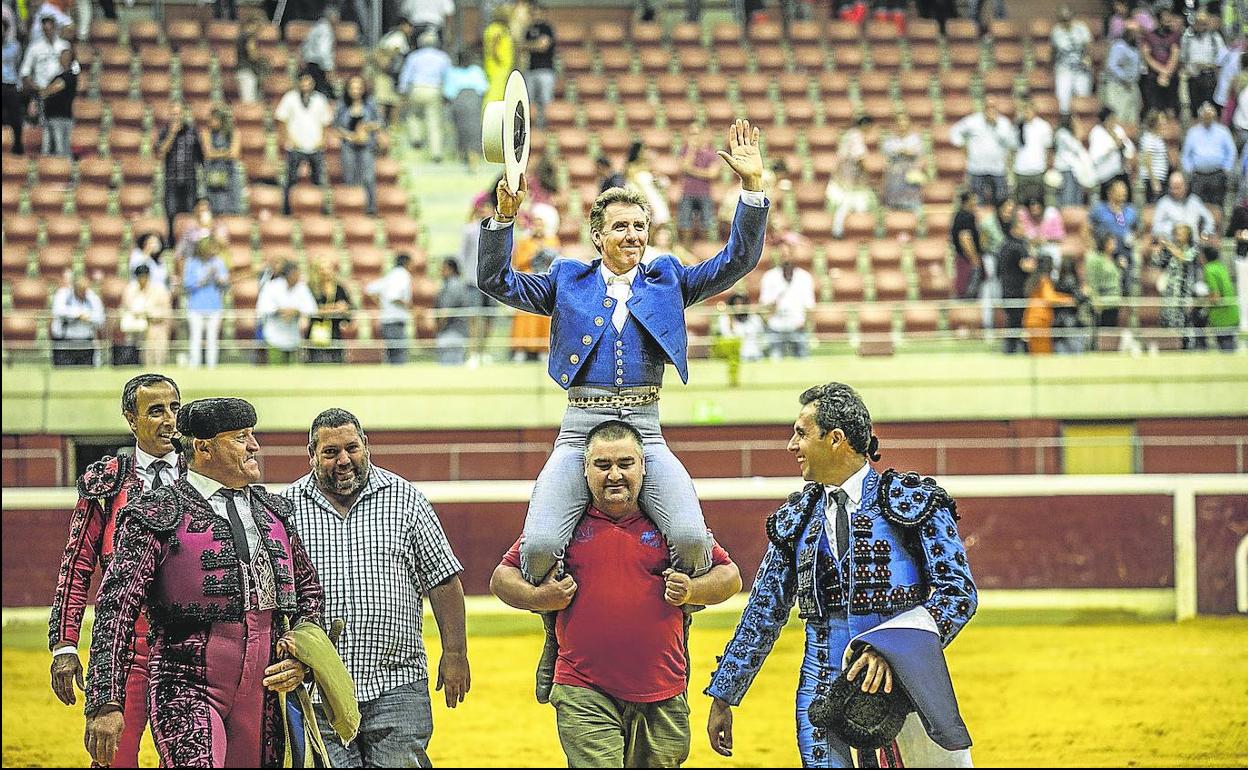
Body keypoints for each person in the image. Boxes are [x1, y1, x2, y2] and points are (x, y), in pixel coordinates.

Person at [478, 118, 768, 700]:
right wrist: (504, 219)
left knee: (689, 538)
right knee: (537, 548)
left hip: (645, 425)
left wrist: (753, 190)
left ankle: (677, 629)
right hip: (580, 426)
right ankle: (555, 635)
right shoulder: (565, 279)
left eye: (640, 225)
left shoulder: (667, 278)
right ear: (598, 235)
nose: (634, 235)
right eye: (621, 226)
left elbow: (735, 262)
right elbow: (494, 280)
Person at [705, 383, 976, 768]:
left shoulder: (911, 501)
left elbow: (958, 593)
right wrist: (724, 696)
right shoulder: (796, 519)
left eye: (801, 433)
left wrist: (892, 649)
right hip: (820, 691)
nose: (791, 446)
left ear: (836, 439)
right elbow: (762, 612)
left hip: (901, 683)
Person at [82, 398, 328, 768]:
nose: (254, 446)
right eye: (241, 437)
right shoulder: (155, 512)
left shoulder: (272, 511)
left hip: (262, 691)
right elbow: (115, 609)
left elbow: (309, 595)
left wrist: (301, 659)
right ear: (203, 447)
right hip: (185, 684)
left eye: (252, 435)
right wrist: (105, 701)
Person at [491, 419, 742, 767]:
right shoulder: (565, 525)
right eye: (602, 465)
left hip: (663, 690)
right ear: (584, 470)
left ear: (643, 467)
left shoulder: (669, 525)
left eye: (625, 464)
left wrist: (692, 589)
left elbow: (731, 577)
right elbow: (501, 577)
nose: (614, 475)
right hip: (583, 688)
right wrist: (539, 598)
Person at [284, 408, 468, 766]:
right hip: (318, 684)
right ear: (311, 455)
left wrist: (456, 653)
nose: (343, 460)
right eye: (330, 452)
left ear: (366, 446)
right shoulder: (287, 508)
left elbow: (443, 580)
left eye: (352, 448)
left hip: (397, 680)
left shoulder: (406, 499)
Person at [48, 374, 181, 768]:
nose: (170, 420)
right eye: (155, 411)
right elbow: (76, 567)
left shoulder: (203, 474)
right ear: (130, 418)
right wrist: (65, 645)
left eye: (174, 408)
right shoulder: (108, 483)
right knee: (114, 759)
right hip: (125, 647)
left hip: (190, 646)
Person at [275, 69, 334, 216]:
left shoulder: (320, 99)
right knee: (290, 181)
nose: (306, 84)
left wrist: (323, 140)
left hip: (315, 147)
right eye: (303, 81)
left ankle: (323, 210)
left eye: (308, 81)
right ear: (298, 82)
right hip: (295, 147)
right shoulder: (290, 98)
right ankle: (286, 210)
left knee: (319, 181)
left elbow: (326, 123)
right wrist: (288, 139)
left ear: (313, 83)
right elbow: (281, 120)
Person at [509, 212, 559, 362]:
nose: (538, 227)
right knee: (525, 317)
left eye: (541, 223)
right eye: (535, 223)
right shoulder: (524, 241)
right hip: (527, 283)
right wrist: (535, 253)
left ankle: (544, 349)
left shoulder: (552, 240)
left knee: (545, 318)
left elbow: (556, 260)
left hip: (546, 284)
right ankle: (520, 350)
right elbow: (518, 262)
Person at [949, 98, 1017, 205]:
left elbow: (1012, 142)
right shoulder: (973, 121)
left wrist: (996, 125)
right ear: (984, 108)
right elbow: (954, 132)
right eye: (988, 107)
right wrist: (962, 146)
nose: (991, 110)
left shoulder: (1003, 123)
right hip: (976, 169)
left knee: (1000, 202)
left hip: (997, 169)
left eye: (993, 107)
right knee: (976, 202)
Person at [1153, 223, 1208, 349]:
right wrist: (1159, 249)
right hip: (1170, 294)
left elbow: (1185, 258)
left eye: (1180, 233)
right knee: (1168, 323)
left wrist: (1168, 245)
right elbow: (1156, 262)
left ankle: (1187, 349)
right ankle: (1169, 348)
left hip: (1185, 294)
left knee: (1185, 323)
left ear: (1188, 236)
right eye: (1176, 233)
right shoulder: (1169, 250)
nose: (1177, 236)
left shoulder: (1193, 248)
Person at [398, 30, 450, 162]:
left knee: (413, 115)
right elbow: (448, 77)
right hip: (434, 89)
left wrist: (402, 90)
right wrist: (447, 93)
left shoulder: (414, 56)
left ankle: (416, 138)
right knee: (434, 121)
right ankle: (436, 153)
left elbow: (406, 74)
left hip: (417, 88)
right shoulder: (443, 57)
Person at [759, 242, 816, 359]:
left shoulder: (804, 277)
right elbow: (763, 303)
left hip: (798, 325)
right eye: (782, 255)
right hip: (775, 325)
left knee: (803, 360)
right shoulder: (769, 277)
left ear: (793, 255)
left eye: (788, 254)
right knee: (775, 361)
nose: (785, 258)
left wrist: (807, 324)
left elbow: (810, 304)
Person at [156, 102, 203, 244]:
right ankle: (171, 243)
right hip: (171, 179)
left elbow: (200, 156)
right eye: (173, 114)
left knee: (189, 213)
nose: (176, 117)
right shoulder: (165, 131)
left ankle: (189, 242)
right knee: (171, 213)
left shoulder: (192, 131)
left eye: (178, 114)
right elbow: (160, 153)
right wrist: (172, 134)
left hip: (190, 180)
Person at [335, 74, 382, 215]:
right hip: (348, 145)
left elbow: (380, 122)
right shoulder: (342, 105)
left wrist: (366, 127)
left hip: (366, 145)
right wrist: (349, 135)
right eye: (352, 88)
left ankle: (370, 208)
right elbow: (336, 126)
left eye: (358, 88)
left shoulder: (370, 104)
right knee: (350, 177)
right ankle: (352, 208)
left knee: (368, 177)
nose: (355, 91)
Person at [256, 260, 318, 364]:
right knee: (275, 373)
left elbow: (312, 308)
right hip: (274, 337)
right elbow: (262, 307)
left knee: (293, 376)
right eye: (295, 274)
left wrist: (296, 311)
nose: (298, 276)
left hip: (294, 338)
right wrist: (279, 311)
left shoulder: (302, 288)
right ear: (288, 274)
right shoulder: (271, 286)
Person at [182, 236, 229, 369]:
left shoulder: (219, 262)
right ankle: (194, 366)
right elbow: (187, 285)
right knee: (195, 338)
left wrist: (219, 279)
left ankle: (211, 366)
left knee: (212, 338)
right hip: (195, 306)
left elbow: (225, 284)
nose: (213, 251)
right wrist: (204, 278)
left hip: (214, 306)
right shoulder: (191, 263)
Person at [1090, 178, 1139, 298]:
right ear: (1110, 193)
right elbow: (1087, 228)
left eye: (1125, 191)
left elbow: (1136, 230)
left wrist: (1134, 237)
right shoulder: (1099, 209)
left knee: (1127, 264)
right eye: (1119, 191)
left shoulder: (1130, 210)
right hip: (1104, 249)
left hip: (1124, 249)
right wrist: (1090, 243)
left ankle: (1125, 293)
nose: (1123, 194)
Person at [1181, 102, 1237, 208]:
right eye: (1205, 114)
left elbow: (1231, 151)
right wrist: (1189, 169)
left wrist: (1227, 168)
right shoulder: (1193, 132)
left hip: (1218, 175)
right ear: (1200, 115)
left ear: (1214, 115)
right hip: (1198, 176)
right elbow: (1185, 154)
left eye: (1209, 114)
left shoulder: (1223, 131)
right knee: (1197, 206)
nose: (1207, 116)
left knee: (1217, 206)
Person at [366, 252, 415, 364]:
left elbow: (370, 289)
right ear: (407, 263)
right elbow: (394, 296)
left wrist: (381, 303)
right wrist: (410, 306)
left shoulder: (390, 275)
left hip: (386, 320)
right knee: (399, 355)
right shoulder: (403, 275)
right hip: (396, 320)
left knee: (392, 355)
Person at [1022, 253, 1076, 354]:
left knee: (1034, 354)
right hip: (1040, 320)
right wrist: (1069, 300)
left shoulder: (1033, 279)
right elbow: (1050, 298)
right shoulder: (1044, 280)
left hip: (1030, 319)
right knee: (1044, 353)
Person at [997, 215, 1037, 354]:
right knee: (1017, 323)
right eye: (1021, 226)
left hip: (1006, 289)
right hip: (1018, 290)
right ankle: (1011, 351)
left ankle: (1012, 349)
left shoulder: (1003, 245)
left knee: (1013, 322)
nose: (1024, 229)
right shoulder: (1018, 246)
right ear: (1014, 229)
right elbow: (1027, 266)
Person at [120, 265, 173, 366]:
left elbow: (166, 312)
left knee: (157, 361)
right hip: (135, 330)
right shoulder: (130, 290)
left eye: (144, 277)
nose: (142, 280)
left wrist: (149, 313)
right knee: (138, 364)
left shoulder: (159, 290)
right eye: (140, 277)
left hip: (156, 329)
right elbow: (125, 308)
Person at [676, 126, 720, 244]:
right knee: (685, 223)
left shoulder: (710, 153)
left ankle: (704, 249)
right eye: (691, 134)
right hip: (687, 192)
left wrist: (692, 171)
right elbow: (683, 167)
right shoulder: (685, 150)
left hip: (704, 193)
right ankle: (686, 248)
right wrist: (691, 150)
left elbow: (713, 174)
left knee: (707, 223)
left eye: (696, 134)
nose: (694, 137)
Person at [444, 48, 487, 169]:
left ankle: (465, 155)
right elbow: (483, 88)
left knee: (461, 129)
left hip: (460, 100)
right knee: (474, 129)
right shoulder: (476, 71)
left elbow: (448, 92)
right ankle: (472, 156)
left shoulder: (452, 72)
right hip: (472, 100)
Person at [306, 254, 352, 364]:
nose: (327, 271)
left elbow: (347, 308)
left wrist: (344, 310)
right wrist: (336, 308)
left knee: (337, 363)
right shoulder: (311, 288)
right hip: (315, 333)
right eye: (323, 268)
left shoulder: (339, 288)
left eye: (329, 268)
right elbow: (312, 310)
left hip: (335, 332)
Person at [50, 273, 104, 366]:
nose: (83, 292)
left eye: (85, 290)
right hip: (65, 342)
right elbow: (58, 311)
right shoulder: (63, 294)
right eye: (80, 289)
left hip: (85, 343)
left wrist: (88, 317)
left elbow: (100, 319)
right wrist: (77, 314)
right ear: (74, 287)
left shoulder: (92, 297)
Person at [1181, 11, 1227, 118]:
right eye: (1199, 23)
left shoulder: (1215, 38)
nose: (1202, 26)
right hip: (1193, 78)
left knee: (1212, 110)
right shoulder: (1187, 38)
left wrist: (1206, 65)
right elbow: (1183, 59)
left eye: (1204, 23)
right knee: (1194, 110)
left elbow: (1222, 61)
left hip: (1209, 78)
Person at [1084, 232, 1124, 349]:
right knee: (1100, 333)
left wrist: (1119, 267)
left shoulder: (1113, 259)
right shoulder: (1095, 259)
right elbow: (1092, 281)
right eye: (1112, 242)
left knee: (1111, 333)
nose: (1114, 245)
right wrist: (1095, 300)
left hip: (1114, 302)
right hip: (1102, 302)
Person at [201, 105, 242, 216]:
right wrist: (225, 152)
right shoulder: (206, 133)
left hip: (230, 175)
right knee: (214, 208)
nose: (209, 122)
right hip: (213, 175)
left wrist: (217, 153)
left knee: (232, 209)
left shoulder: (234, 132)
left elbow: (234, 154)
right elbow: (208, 154)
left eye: (213, 119)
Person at [434, 257, 476, 365]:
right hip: (458, 332)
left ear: (450, 269)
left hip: (451, 333)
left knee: (449, 367)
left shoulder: (452, 286)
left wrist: (438, 328)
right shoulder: (460, 285)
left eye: (442, 269)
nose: (440, 272)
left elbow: (445, 312)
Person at [1152, 171, 1216, 241]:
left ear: (1186, 186)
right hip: (1172, 245)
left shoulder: (1195, 201)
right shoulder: (1163, 203)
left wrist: (1205, 233)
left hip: (1194, 244)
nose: (1175, 191)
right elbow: (1156, 227)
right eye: (1173, 188)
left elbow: (1209, 220)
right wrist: (1172, 230)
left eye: (1178, 187)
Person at [1053, 6, 1094, 115]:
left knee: (1083, 98)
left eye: (1067, 18)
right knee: (1063, 99)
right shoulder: (1056, 31)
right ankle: (1065, 121)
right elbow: (1053, 51)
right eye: (1063, 19)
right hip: (1064, 69)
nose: (1066, 21)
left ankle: (1082, 120)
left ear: (1072, 16)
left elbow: (1089, 47)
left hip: (1081, 69)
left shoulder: (1081, 28)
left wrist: (1088, 58)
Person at [1088, 107, 1135, 199]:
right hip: (1106, 175)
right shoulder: (1096, 132)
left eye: (1115, 118)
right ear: (1105, 120)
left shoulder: (1118, 130)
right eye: (1111, 119)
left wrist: (1123, 145)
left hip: (1121, 172)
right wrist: (1113, 147)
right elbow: (1095, 158)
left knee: (1127, 199)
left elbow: (1130, 149)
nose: (1114, 121)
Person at [372, 18, 412, 126]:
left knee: (384, 102)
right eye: (409, 26)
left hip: (385, 75)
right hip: (389, 75)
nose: (410, 30)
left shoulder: (390, 35)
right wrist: (389, 65)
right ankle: (389, 128)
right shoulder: (398, 37)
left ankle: (383, 126)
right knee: (392, 103)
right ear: (403, 25)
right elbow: (391, 51)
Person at [1142, 8, 1182, 117]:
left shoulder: (1175, 35)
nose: (1168, 21)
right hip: (1153, 77)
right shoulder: (1149, 36)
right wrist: (1161, 71)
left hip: (1170, 76)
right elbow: (1147, 56)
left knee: (1171, 110)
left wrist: (1166, 72)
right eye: (1165, 18)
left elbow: (1175, 55)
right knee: (1154, 109)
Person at [1013, 100, 1053, 206]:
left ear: (1034, 110)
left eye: (1029, 110)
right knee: (1021, 204)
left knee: (1038, 202)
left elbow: (1048, 149)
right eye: (1024, 110)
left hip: (1038, 169)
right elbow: (1013, 149)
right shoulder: (1018, 126)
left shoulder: (1043, 126)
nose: (1027, 112)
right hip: (1021, 170)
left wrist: (1047, 167)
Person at [1102, 23, 1143, 125]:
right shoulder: (1119, 46)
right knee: (1120, 115)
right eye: (1135, 33)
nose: (1138, 35)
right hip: (1119, 86)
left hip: (1132, 86)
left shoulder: (1135, 48)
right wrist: (1125, 79)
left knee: (1133, 117)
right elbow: (1111, 66)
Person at [880, 114, 923, 211]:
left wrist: (902, 151)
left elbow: (915, 152)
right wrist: (902, 151)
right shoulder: (890, 139)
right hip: (894, 173)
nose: (902, 124)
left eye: (904, 122)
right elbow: (887, 152)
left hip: (910, 172)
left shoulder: (915, 138)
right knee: (893, 203)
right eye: (899, 122)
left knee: (911, 202)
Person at [523, 1, 555, 128]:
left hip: (545, 70)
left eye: (538, 12)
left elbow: (544, 46)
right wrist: (534, 45)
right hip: (531, 70)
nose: (535, 15)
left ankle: (544, 128)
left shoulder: (547, 28)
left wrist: (530, 46)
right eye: (533, 12)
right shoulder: (529, 30)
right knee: (529, 102)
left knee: (545, 102)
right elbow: (521, 46)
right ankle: (529, 128)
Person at [38, 45, 74, 156]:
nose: (62, 59)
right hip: (50, 116)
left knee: (61, 150)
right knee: (46, 150)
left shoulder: (70, 77)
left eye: (65, 57)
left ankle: (64, 171)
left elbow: (54, 88)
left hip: (61, 118)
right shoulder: (57, 76)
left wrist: (44, 92)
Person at [626, 141, 672, 227]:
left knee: (660, 223)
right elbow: (634, 186)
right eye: (643, 150)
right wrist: (647, 203)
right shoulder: (630, 168)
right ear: (638, 152)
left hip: (654, 197)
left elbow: (662, 182)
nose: (645, 152)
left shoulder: (650, 166)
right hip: (642, 199)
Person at [1203, 247, 1240, 351]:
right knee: (1231, 346)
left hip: (1221, 315)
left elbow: (1215, 295)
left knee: (1225, 349)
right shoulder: (1222, 266)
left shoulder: (1209, 269)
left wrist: (1205, 300)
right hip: (1233, 312)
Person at [1053, 114, 1094, 206]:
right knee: (1068, 197)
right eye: (1075, 121)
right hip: (1065, 169)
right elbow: (1076, 147)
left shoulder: (1069, 134)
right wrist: (1078, 133)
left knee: (1077, 197)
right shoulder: (1062, 133)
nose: (1077, 123)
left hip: (1074, 170)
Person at [301, 3, 339, 100]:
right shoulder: (326, 30)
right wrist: (329, 69)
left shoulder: (316, 26)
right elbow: (324, 52)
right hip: (319, 67)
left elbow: (304, 46)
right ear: (332, 17)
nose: (338, 20)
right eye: (337, 17)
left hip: (310, 64)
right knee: (322, 95)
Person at [951, 190, 983, 299]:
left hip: (965, 259)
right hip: (967, 261)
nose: (976, 203)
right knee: (967, 291)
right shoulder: (965, 217)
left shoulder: (959, 216)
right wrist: (974, 259)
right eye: (973, 200)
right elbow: (965, 238)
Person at [716, 292, 766, 362]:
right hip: (738, 357)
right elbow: (727, 337)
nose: (739, 307)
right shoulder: (725, 319)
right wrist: (731, 321)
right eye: (736, 304)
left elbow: (761, 335)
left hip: (756, 355)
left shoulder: (754, 318)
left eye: (742, 304)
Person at [1017, 196, 1066, 265]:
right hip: (1028, 246)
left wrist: (1044, 240)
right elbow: (1019, 233)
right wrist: (1030, 240)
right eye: (1032, 209)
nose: (1035, 211)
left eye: (1038, 208)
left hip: (1047, 245)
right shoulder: (1023, 214)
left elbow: (1059, 238)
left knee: (1054, 252)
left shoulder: (1052, 214)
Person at [1138, 110, 1172, 204]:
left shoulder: (1158, 138)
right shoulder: (1148, 138)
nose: (1164, 121)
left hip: (1161, 177)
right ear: (1155, 122)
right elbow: (1147, 160)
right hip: (1153, 179)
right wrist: (1154, 181)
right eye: (1162, 119)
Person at [234, 18, 269, 104]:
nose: (259, 30)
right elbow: (252, 54)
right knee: (249, 103)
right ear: (253, 24)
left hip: (242, 71)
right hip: (248, 73)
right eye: (259, 26)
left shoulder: (240, 36)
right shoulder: (250, 36)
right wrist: (264, 60)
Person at [482, 5, 512, 104]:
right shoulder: (499, 29)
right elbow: (494, 45)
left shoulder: (491, 28)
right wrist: (499, 59)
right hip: (498, 67)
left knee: (495, 90)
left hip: (493, 65)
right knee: (496, 92)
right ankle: (491, 114)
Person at [2, 18, 22, 154]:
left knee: (16, 118)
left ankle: (17, 146)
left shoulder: (15, 46)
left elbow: (18, 64)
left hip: (10, 85)